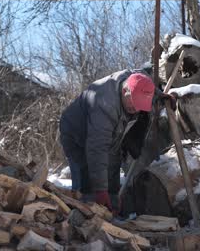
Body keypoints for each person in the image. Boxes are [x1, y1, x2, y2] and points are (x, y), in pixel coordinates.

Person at [59, 69, 158, 213]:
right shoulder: (104, 104)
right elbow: (97, 148)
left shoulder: (136, 80)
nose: (136, 109)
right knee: (87, 184)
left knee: (112, 172)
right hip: (77, 136)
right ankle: (81, 219)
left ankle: (112, 214)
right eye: (134, 103)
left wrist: (162, 96)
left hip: (108, 134)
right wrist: (100, 190)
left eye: (140, 105)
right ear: (125, 91)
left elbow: (146, 87)